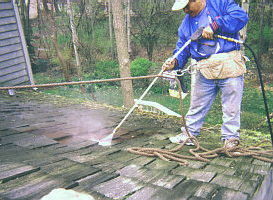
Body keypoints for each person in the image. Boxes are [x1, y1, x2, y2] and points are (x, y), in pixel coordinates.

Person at [163, 0, 248, 147]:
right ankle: (188, 135)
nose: (185, 11)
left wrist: (215, 25)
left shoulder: (220, 4)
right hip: (206, 69)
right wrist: (174, 62)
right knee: (197, 105)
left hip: (230, 65)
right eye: (183, 8)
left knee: (231, 108)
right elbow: (182, 48)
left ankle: (231, 140)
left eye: (187, 7)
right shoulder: (186, 24)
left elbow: (240, 16)